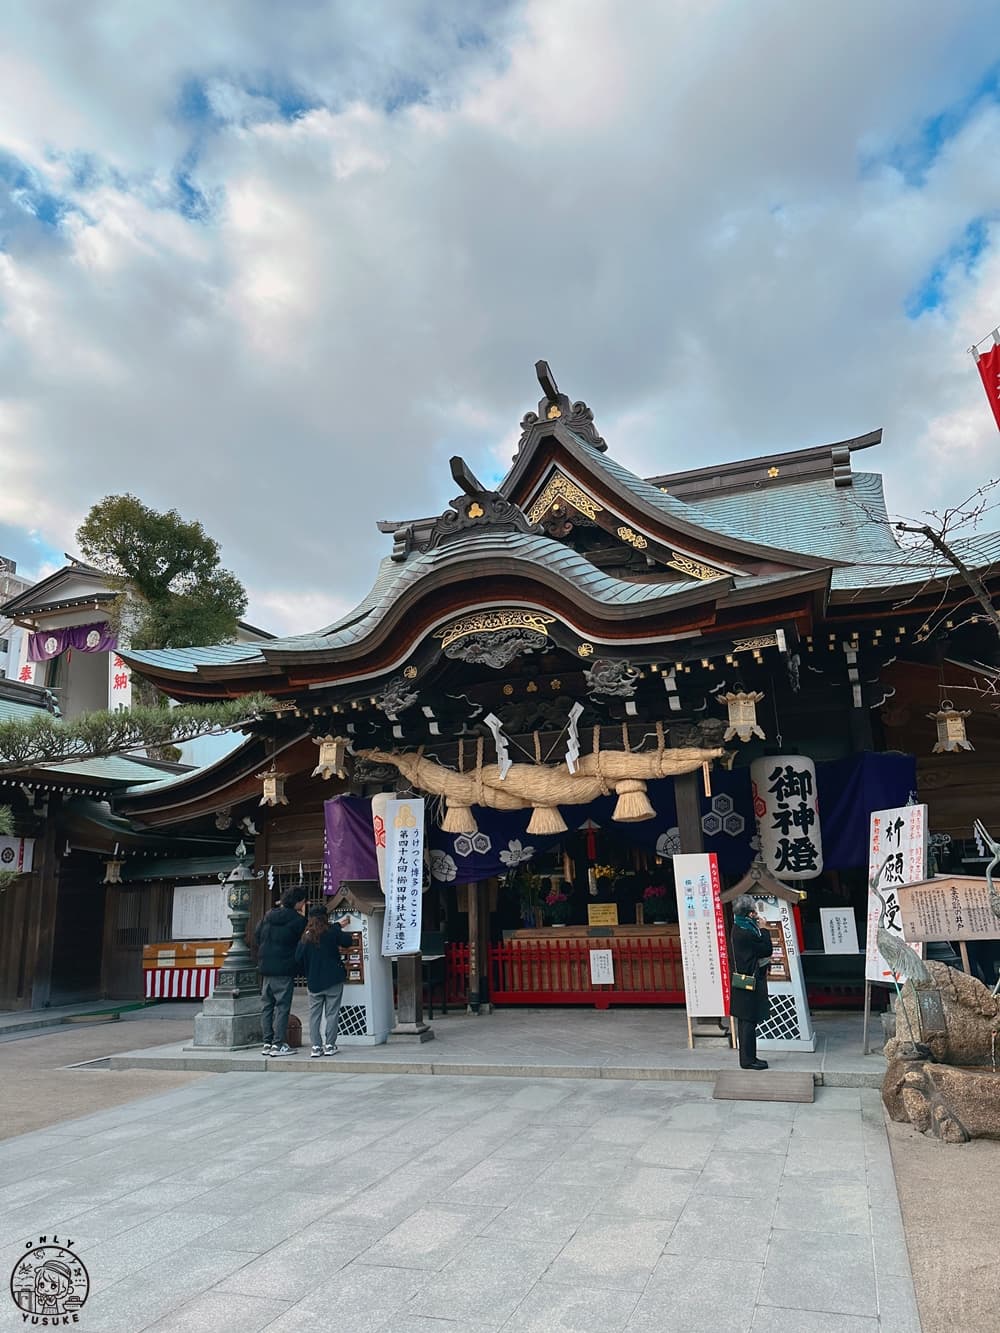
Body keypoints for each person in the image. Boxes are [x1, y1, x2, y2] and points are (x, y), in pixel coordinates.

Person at [295, 905, 354, 1057]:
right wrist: (338, 927)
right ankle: (330, 1045)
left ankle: (316, 1046)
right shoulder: (331, 932)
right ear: (325, 917)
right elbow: (348, 941)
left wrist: (307, 972)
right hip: (333, 979)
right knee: (332, 1013)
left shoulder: (306, 936)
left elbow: (298, 958)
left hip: (314, 981)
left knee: (314, 1015)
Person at [255, 886, 307, 1056]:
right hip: (284, 968)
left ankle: (267, 1043)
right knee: (282, 1006)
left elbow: (257, 936)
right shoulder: (298, 920)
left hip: (266, 967)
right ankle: (279, 1044)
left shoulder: (267, 916)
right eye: (303, 901)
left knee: (267, 1006)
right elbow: (304, 942)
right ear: (298, 902)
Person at [730, 894, 774, 1071]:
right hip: (749, 980)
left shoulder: (738, 927)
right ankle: (748, 1060)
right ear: (749, 914)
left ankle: (749, 1057)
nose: (757, 915)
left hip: (743, 979)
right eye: (754, 912)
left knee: (746, 1019)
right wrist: (764, 929)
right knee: (748, 1020)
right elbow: (766, 949)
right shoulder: (747, 933)